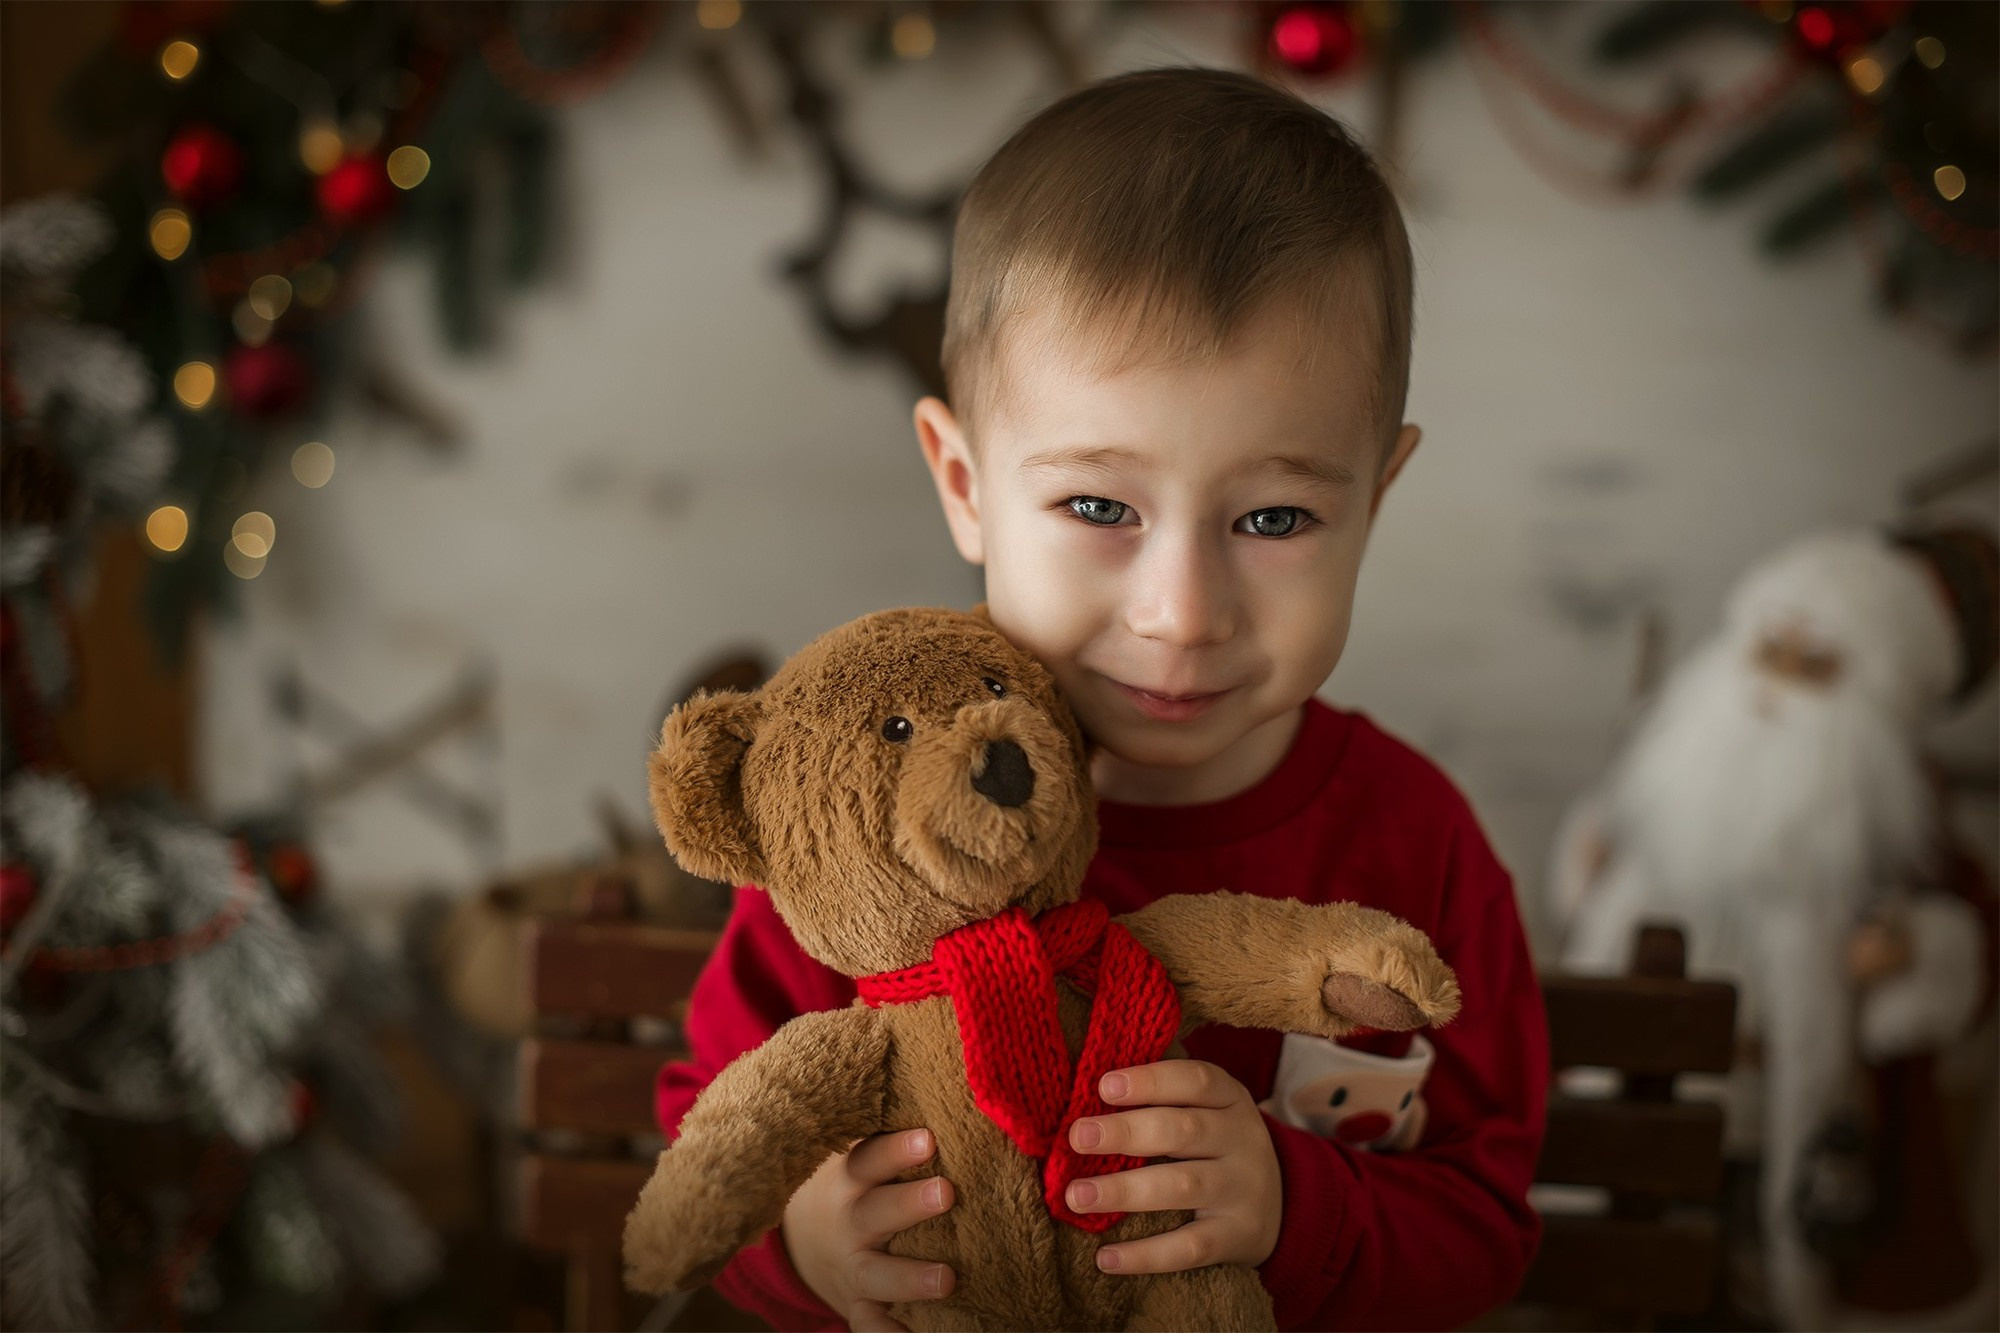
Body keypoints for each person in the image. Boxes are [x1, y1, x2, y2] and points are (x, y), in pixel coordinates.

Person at [655, 66, 1548, 1332]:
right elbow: (709, 1132)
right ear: (964, 486)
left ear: (1376, 498)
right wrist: (804, 1243)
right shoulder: (862, 821)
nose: (1180, 610)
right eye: (1096, 506)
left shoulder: (1414, 845)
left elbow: (1482, 1221)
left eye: (1274, 518)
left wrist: (1297, 1208)